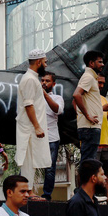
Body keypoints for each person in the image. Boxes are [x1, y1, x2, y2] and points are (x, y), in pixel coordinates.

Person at [15, 49, 50, 187]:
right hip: (29, 127)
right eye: (45, 62)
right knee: (28, 160)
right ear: (38, 62)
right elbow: (28, 105)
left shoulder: (32, 78)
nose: (46, 65)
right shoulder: (30, 79)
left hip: (32, 126)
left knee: (32, 159)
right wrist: (36, 126)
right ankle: (26, 191)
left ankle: (28, 191)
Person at [73, 51, 106, 161]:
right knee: (88, 161)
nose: (103, 64)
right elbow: (76, 95)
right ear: (91, 63)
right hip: (90, 127)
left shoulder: (91, 77)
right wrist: (87, 116)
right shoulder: (88, 77)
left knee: (89, 160)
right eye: (100, 62)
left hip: (91, 127)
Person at [41, 72, 64, 201]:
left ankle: (46, 195)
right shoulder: (34, 97)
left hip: (51, 138)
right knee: (29, 165)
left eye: (47, 81)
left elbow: (57, 110)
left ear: (53, 84)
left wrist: (44, 94)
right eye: (42, 80)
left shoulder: (57, 98)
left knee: (50, 169)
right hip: (35, 137)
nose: (44, 83)